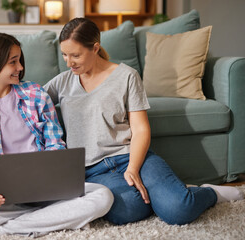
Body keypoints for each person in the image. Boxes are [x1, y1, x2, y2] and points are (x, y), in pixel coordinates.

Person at [44, 18, 244, 226]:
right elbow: (29, 100)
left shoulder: (127, 76)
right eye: (64, 55)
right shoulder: (62, 82)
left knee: (179, 210)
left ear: (95, 48)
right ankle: (171, 192)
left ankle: (208, 193)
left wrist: (132, 168)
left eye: (75, 55)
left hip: (132, 157)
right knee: (128, 210)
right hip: (92, 169)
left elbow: (140, 129)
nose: (69, 62)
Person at [0, 32, 114, 240]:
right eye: (13, 62)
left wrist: (55, 180)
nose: (20, 68)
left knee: (103, 196)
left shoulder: (36, 94)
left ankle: (0, 229)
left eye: (19, 61)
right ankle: (51, 219)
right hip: (4, 195)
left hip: (48, 189)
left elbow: (55, 143)